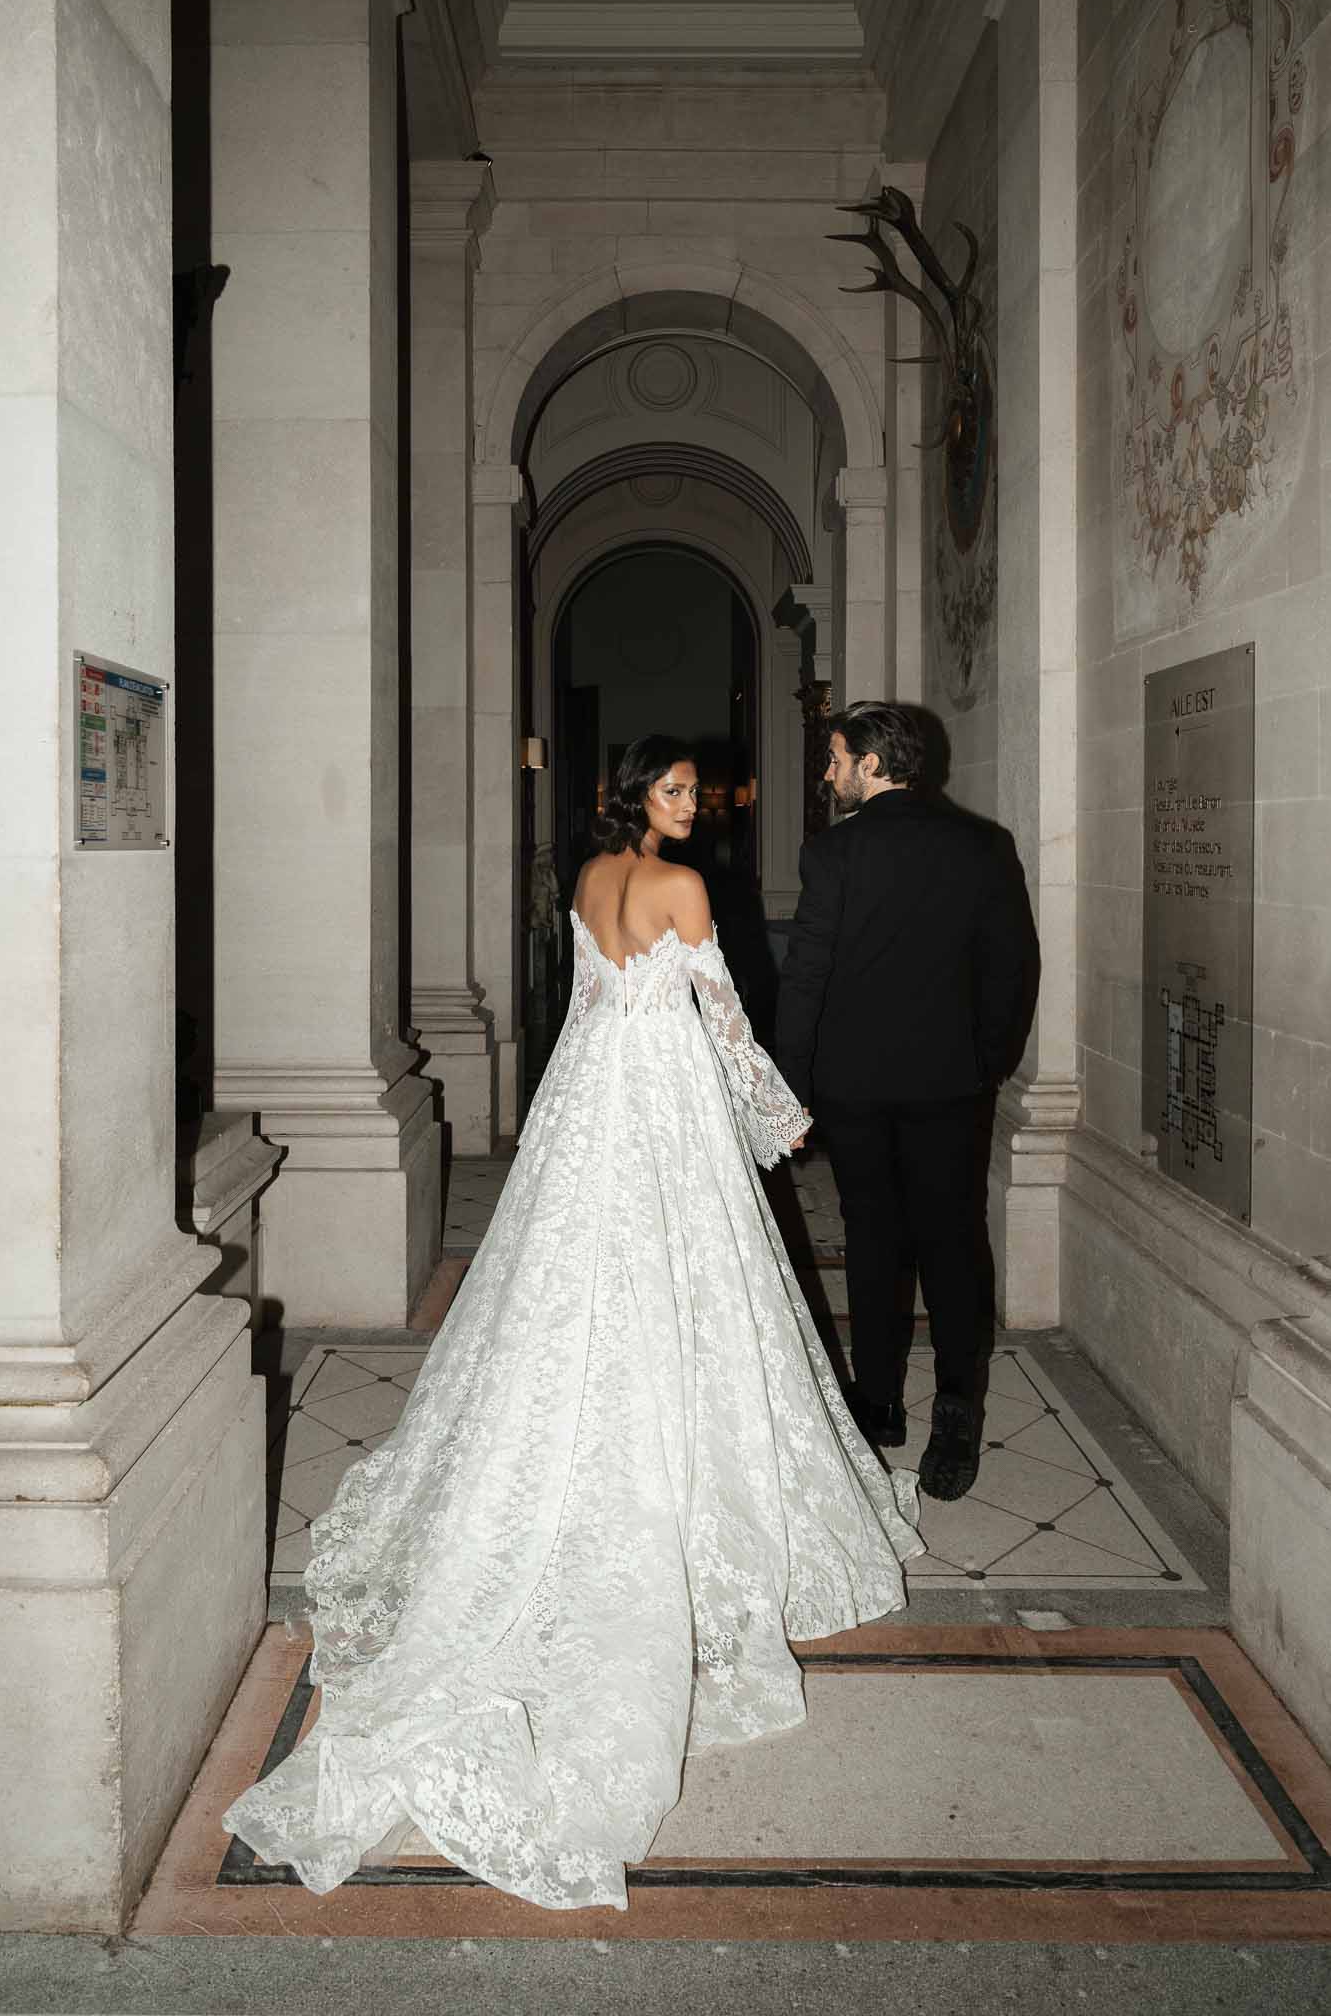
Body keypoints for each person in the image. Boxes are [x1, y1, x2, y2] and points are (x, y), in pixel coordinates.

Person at [223, 734, 921, 1910]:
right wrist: (778, 1116)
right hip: (663, 1112)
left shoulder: (588, 879)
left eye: (697, 789)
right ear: (635, 793)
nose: (693, 804)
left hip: (588, 1106)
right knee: (689, 1287)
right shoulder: (684, 886)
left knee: (563, 1289)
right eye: (674, 787)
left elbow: (599, 999)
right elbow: (725, 1019)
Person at [775, 702, 1040, 1504]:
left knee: (874, 1240)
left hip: (854, 1086)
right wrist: (985, 1063)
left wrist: (787, 1088)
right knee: (954, 1245)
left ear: (873, 764)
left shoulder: (832, 852)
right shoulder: (982, 846)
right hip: (950, 1084)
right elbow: (1012, 969)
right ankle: (955, 1415)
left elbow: (806, 978)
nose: (827, 771)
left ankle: (880, 1402)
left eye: (835, 757)